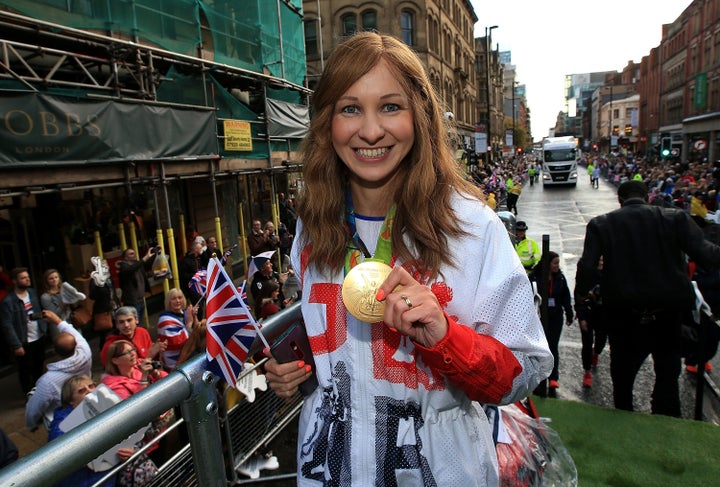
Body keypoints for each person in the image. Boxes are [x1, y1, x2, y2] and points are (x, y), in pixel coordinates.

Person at [262, 32, 552, 485]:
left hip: (441, 468)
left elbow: (524, 372)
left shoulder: (473, 228)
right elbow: (332, 337)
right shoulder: (312, 223)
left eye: (391, 107)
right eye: (350, 108)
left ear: (419, 116)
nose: (371, 130)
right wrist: (298, 372)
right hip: (328, 468)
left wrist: (444, 338)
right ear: (327, 123)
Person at [575, 180, 720, 417]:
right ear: (647, 197)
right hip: (667, 315)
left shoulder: (602, 224)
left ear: (620, 201)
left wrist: (581, 295)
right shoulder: (674, 219)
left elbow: (588, 268)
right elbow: (707, 255)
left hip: (624, 315)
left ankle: (625, 420)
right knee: (667, 378)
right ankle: (666, 425)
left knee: (623, 378)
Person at [25, 309, 92, 432]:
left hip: (65, 420)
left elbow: (35, 408)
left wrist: (31, 424)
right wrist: (57, 320)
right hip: (88, 406)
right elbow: (73, 333)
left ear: (54, 351)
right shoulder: (85, 351)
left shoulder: (48, 381)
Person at [47, 374, 116, 487]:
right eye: (81, 391)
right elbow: (65, 457)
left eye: (91, 386)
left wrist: (126, 450)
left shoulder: (104, 407)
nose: (89, 391)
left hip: (107, 476)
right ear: (70, 400)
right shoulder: (61, 426)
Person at [0, 267, 49, 394]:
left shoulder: (32, 293)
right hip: (23, 340)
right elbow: (7, 324)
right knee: (25, 370)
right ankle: (29, 394)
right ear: (15, 281)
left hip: (38, 336)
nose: (27, 279)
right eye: (23, 278)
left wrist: (44, 327)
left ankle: (40, 392)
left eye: (27, 277)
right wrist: (16, 345)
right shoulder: (8, 301)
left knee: (39, 365)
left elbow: (38, 311)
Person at [530, 251, 574, 391]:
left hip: (556, 317)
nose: (557, 266)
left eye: (558, 263)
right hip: (540, 317)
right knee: (540, 348)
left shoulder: (560, 278)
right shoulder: (535, 277)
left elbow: (566, 296)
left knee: (553, 346)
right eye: (555, 263)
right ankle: (539, 378)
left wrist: (569, 313)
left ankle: (553, 378)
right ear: (547, 264)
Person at [573, 256, 607, 388]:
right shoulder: (585, 272)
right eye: (598, 259)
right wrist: (581, 317)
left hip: (603, 313)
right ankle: (587, 371)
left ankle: (596, 352)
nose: (600, 262)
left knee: (601, 339)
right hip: (587, 311)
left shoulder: (611, 272)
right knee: (587, 342)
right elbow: (578, 295)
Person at [100, 306, 165, 367]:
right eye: (121, 322)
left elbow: (154, 359)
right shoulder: (111, 344)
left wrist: (157, 351)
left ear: (136, 320)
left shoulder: (142, 332)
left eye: (129, 320)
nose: (126, 325)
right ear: (117, 325)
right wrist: (150, 354)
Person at [156, 288, 198, 370]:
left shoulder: (185, 313)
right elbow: (177, 341)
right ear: (169, 301)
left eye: (180, 297)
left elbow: (197, 332)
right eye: (174, 298)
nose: (178, 301)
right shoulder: (164, 320)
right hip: (175, 364)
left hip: (189, 355)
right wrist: (189, 323)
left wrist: (194, 317)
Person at [89, 257, 121, 350]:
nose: (105, 267)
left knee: (117, 331)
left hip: (114, 308)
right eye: (102, 265)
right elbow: (92, 296)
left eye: (106, 265)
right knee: (105, 335)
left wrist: (118, 304)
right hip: (103, 311)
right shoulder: (94, 280)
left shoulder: (109, 277)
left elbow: (112, 292)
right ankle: (105, 353)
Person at [117, 247, 154, 321]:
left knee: (139, 322)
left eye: (134, 253)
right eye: (131, 254)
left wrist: (153, 254)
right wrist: (144, 258)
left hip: (141, 299)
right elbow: (130, 270)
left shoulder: (137, 265)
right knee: (133, 322)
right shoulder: (124, 267)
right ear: (126, 258)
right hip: (131, 302)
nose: (134, 255)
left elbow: (146, 264)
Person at [179, 241, 204, 307]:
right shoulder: (186, 261)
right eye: (200, 248)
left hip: (200, 285)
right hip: (192, 287)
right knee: (198, 306)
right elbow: (183, 275)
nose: (201, 250)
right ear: (195, 249)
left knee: (203, 303)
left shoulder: (199, 259)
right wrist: (194, 275)